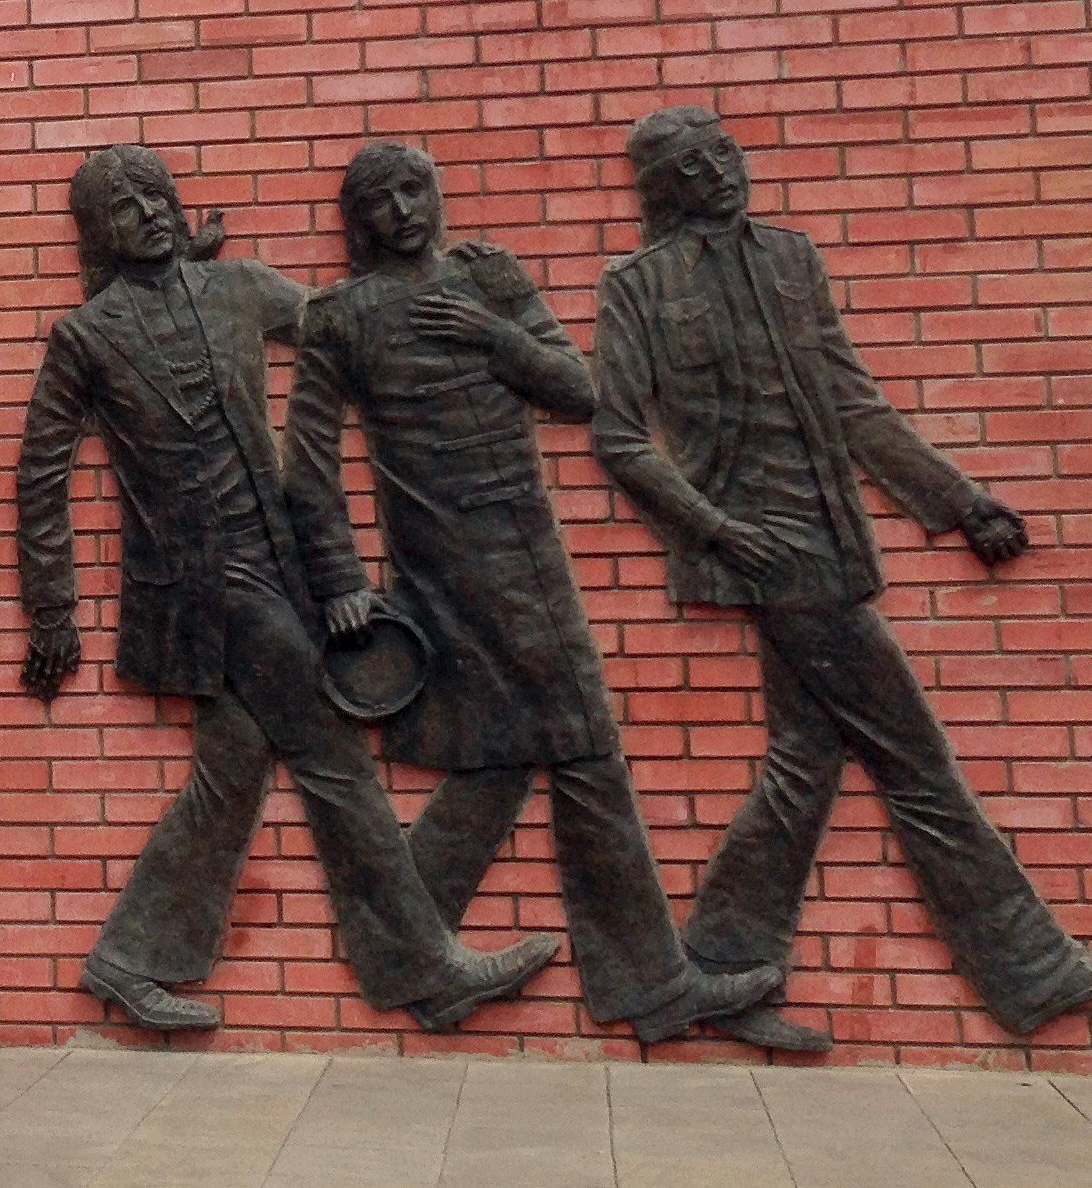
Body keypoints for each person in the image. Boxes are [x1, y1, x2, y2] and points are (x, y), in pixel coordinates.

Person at [591, 106, 1092, 1047]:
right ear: (662, 188)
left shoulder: (792, 258)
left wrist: (959, 501)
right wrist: (717, 532)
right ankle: (1031, 972)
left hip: (832, 541)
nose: (719, 171)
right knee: (914, 760)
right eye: (691, 165)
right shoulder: (638, 285)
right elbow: (619, 438)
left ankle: (718, 970)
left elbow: (853, 403)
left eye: (723, 151)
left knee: (805, 765)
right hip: (768, 555)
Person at [15, 143, 557, 1035]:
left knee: (229, 779)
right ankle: (427, 969)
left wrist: (445, 290)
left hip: (278, 564)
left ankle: (128, 960)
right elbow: (41, 473)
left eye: (157, 196)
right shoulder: (86, 336)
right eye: (125, 208)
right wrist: (51, 608)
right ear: (100, 234)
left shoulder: (237, 288)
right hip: (199, 589)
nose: (149, 214)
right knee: (335, 760)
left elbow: (341, 327)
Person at [283, 140, 779, 1045]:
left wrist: (493, 331)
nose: (404, 211)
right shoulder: (339, 318)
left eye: (415, 189)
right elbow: (308, 468)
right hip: (442, 570)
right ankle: (651, 989)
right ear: (359, 221)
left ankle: (408, 959)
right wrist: (339, 579)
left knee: (502, 760)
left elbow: (579, 392)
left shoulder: (489, 276)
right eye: (382, 200)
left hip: (530, 555)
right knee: (583, 751)